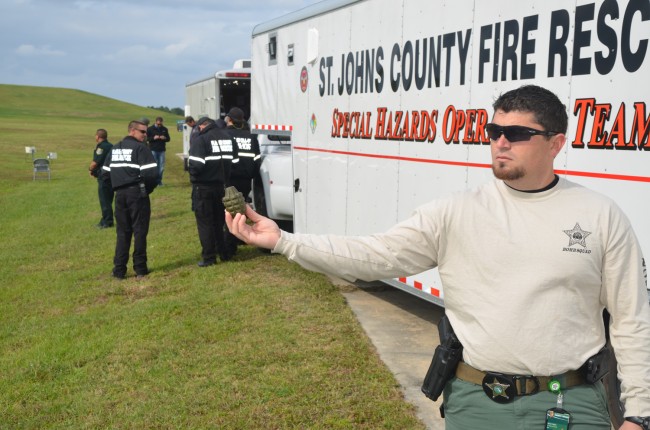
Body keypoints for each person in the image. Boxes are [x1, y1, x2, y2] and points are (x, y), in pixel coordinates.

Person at [226, 85, 650, 430]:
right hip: (480, 404)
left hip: (572, 404)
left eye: (517, 134)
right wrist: (284, 241)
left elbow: (632, 319)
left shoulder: (599, 215)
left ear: (556, 143)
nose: (500, 141)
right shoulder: (455, 212)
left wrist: (639, 414)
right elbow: (374, 256)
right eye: (493, 130)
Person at [102, 120, 158, 279]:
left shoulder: (114, 148)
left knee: (122, 232)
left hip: (120, 196)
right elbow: (152, 175)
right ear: (132, 131)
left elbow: (105, 175)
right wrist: (146, 190)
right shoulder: (141, 148)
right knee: (139, 231)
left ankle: (119, 270)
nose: (145, 135)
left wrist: (117, 186)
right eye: (143, 132)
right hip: (137, 195)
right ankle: (140, 269)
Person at [188, 117, 238, 267]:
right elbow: (234, 163)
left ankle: (209, 257)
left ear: (203, 126)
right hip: (222, 187)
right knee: (219, 222)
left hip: (203, 188)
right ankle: (223, 252)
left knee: (205, 224)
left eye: (198, 127)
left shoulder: (201, 140)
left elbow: (195, 166)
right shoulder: (229, 138)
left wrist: (193, 178)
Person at [225, 107, 261, 256]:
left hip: (230, 179)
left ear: (230, 120)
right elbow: (257, 159)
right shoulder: (251, 137)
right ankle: (241, 236)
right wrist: (251, 175)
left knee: (229, 211)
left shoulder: (226, 135)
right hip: (246, 179)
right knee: (242, 208)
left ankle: (230, 242)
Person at [88, 128, 114, 228]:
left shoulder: (102, 147)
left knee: (104, 200)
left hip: (104, 176)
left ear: (98, 136)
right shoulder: (111, 145)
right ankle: (105, 220)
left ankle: (107, 222)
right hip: (111, 175)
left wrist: (90, 169)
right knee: (108, 199)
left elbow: (95, 162)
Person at [147, 116, 170, 186]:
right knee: (154, 166)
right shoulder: (150, 129)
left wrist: (164, 138)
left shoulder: (164, 129)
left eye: (160, 124)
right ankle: (154, 181)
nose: (159, 125)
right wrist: (153, 138)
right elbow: (147, 139)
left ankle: (159, 181)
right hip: (153, 150)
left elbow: (168, 139)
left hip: (162, 150)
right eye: (158, 124)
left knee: (161, 167)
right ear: (156, 122)